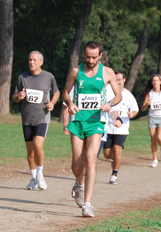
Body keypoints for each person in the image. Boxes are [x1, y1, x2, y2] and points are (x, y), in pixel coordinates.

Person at [62, 41, 121, 218]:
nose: (90, 60)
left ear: (100, 56)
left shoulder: (107, 72)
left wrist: (109, 104)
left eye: (94, 57)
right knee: (77, 165)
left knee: (90, 159)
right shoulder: (76, 71)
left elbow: (118, 95)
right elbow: (65, 92)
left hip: (96, 121)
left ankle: (87, 204)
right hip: (78, 121)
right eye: (87, 56)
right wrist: (70, 103)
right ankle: (79, 183)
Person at [12, 51, 60, 191]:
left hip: (42, 117)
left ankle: (40, 174)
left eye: (34, 60)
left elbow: (56, 92)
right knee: (30, 150)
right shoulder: (22, 77)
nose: (31, 62)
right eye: (30, 60)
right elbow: (14, 97)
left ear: (41, 62)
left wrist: (52, 103)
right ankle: (33, 178)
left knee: (38, 145)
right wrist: (19, 97)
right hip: (27, 118)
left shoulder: (48, 77)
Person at [102, 72, 139, 185]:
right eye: (115, 80)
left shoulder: (128, 95)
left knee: (117, 150)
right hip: (107, 127)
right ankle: (116, 160)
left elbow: (135, 109)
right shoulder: (108, 92)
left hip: (121, 129)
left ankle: (114, 174)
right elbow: (110, 109)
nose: (117, 82)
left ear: (124, 80)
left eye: (119, 79)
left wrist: (131, 114)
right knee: (107, 154)